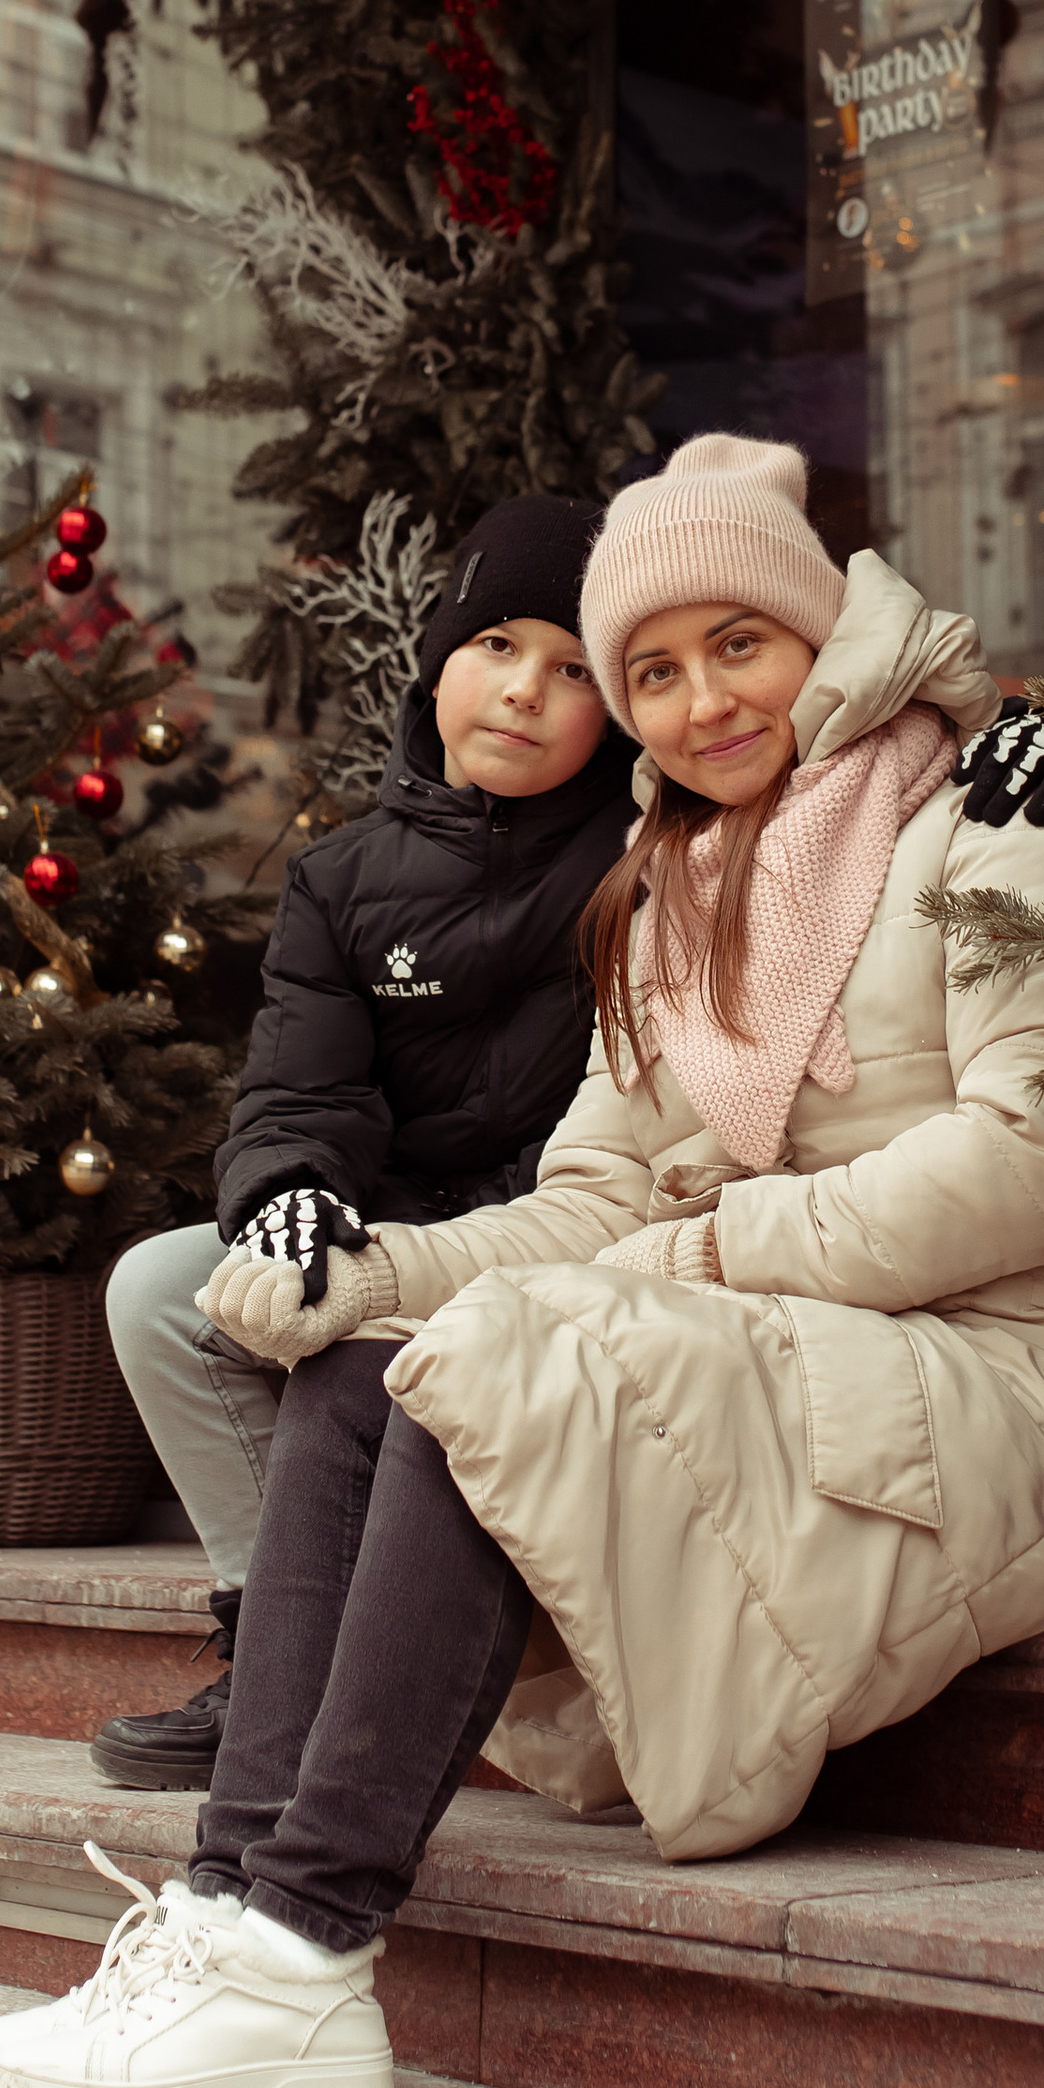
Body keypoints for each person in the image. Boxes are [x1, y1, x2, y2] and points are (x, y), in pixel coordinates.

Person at [0, 436, 1044, 2088]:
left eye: (738, 646)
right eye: (657, 673)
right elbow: (592, 1203)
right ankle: (232, 1917)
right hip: (822, 1340)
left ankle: (309, 1953)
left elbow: (1033, 1165)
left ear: (816, 631)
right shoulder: (675, 895)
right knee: (376, 1356)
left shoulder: (983, 815)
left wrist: (706, 1249)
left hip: (1039, 1363)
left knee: (515, 1360)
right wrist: (369, 1267)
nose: (701, 701)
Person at [87, 492, 633, 1787]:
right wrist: (287, 1194)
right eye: (497, 646)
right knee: (165, 1291)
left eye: (571, 670)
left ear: (610, 709)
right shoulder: (339, 881)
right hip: (391, 1225)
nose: (523, 692)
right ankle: (271, 1643)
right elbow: (299, 1092)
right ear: (439, 660)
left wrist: (1018, 726)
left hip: (571, 1239)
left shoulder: (651, 848)